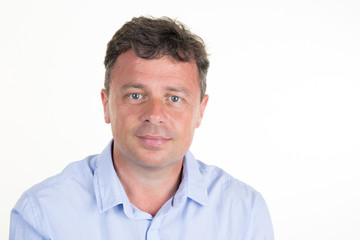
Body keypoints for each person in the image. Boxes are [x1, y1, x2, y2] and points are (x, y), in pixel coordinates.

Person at [10, 16, 274, 239]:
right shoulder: (42, 214)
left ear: (200, 111)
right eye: (136, 95)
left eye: (174, 98)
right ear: (106, 105)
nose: (155, 115)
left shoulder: (245, 214)